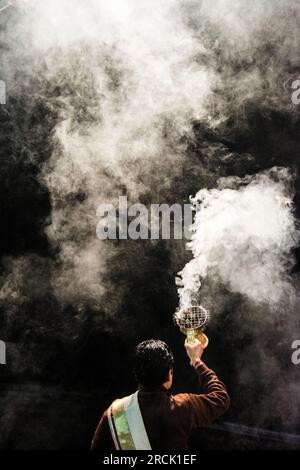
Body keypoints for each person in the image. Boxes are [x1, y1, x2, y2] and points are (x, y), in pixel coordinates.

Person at [91, 338, 230, 450]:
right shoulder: (182, 407)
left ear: (136, 375)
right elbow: (221, 398)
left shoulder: (116, 412)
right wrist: (196, 361)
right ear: (170, 375)